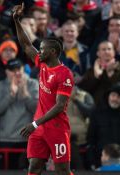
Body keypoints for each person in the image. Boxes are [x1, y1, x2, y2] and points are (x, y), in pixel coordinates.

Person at [13, 3, 75, 175]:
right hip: (39, 128)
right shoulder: (42, 64)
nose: (38, 53)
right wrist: (16, 21)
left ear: (53, 52)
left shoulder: (65, 74)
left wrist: (34, 123)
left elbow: (59, 106)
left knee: (62, 170)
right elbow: (26, 45)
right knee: (34, 166)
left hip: (56, 128)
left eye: (42, 50)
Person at [0, 59, 39, 169]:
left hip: (27, 138)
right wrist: (11, 95)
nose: (17, 73)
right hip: (7, 138)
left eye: (19, 69)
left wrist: (26, 95)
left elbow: (38, 110)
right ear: (6, 72)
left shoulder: (33, 83)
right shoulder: (0, 85)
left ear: (23, 70)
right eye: (13, 70)